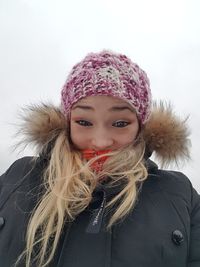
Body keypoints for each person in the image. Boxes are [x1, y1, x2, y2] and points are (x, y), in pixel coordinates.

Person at [0, 50, 199, 267]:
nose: (100, 141)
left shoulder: (180, 194)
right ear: (67, 122)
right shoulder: (18, 177)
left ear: (140, 126)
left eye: (120, 123)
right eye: (84, 122)